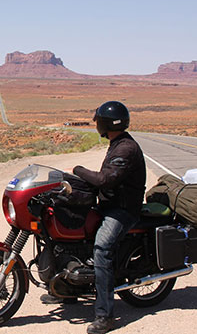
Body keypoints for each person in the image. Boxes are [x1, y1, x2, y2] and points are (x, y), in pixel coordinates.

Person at [70, 100, 146, 334]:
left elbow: (106, 179)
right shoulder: (117, 143)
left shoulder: (126, 148)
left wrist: (78, 169)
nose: (96, 124)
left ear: (104, 123)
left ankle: (105, 315)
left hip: (122, 211)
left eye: (98, 120)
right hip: (108, 205)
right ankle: (68, 291)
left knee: (102, 248)